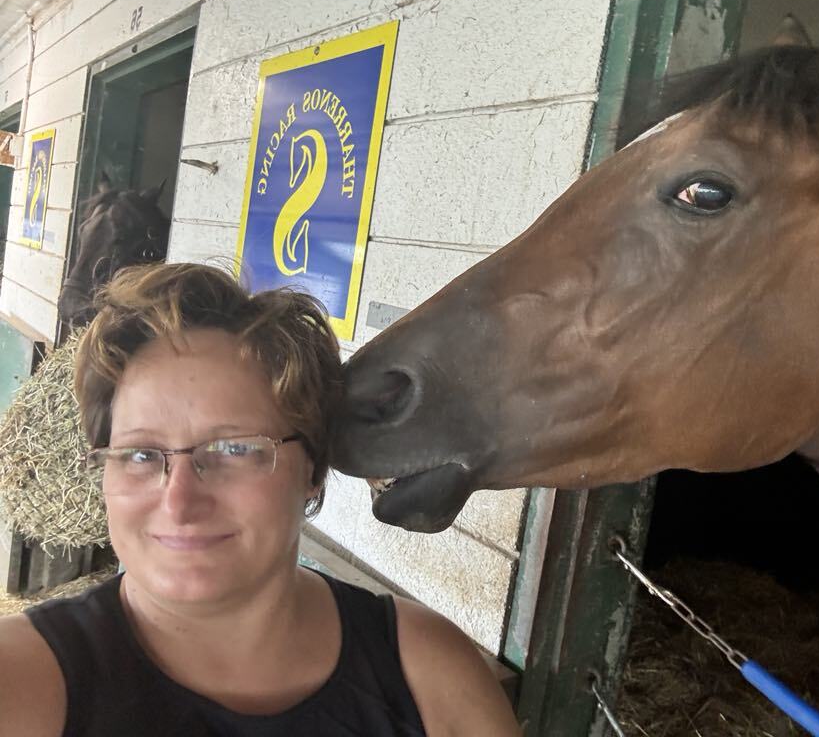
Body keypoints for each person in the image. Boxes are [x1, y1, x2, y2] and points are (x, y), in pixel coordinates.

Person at [0, 263, 521, 736]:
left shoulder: (429, 679)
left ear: (313, 468)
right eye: (140, 454)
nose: (179, 501)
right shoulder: (23, 683)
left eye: (233, 449)